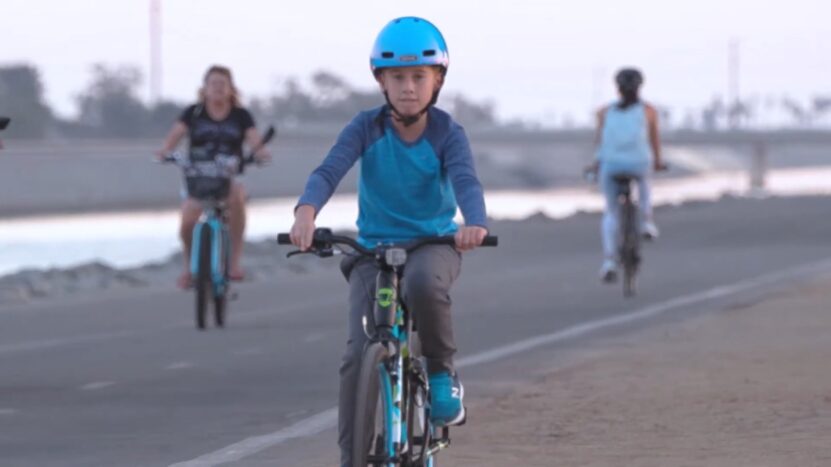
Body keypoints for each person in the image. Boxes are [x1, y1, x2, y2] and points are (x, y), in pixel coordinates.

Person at [287, 17, 488, 466]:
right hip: (372, 250)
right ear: (381, 81)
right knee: (357, 355)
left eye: (420, 76)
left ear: (437, 81)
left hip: (433, 244)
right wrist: (305, 212)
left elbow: (467, 181)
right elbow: (329, 170)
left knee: (421, 286)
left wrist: (474, 222)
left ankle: (441, 373)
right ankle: (351, 458)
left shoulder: (447, 133)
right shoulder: (366, 127)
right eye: (398, 77)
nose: (409, 87)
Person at [157, 65, 270, 288]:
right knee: (187, 222)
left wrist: (260, 152)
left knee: (237, 198)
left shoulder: (240, 115)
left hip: (228, 177)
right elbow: (174, 136)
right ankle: (190, 268)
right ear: (205, 88)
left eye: (222, 84)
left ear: (230, 89)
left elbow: (254, 140)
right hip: (198, 177)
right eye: (213, 84)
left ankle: (234, 263)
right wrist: (165, 151)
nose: (217, 88)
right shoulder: (194, 113)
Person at [593, 67, 666, 282]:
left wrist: (596, 165)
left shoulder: (604, 112)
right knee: (644, 185)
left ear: (618, 88)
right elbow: (654, 142)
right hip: (639, 163)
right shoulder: (649, 111)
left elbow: (600, 144)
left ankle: (608, 261)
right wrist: (658, 163)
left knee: (611, 212)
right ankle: (647, 222)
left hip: (611, 165)